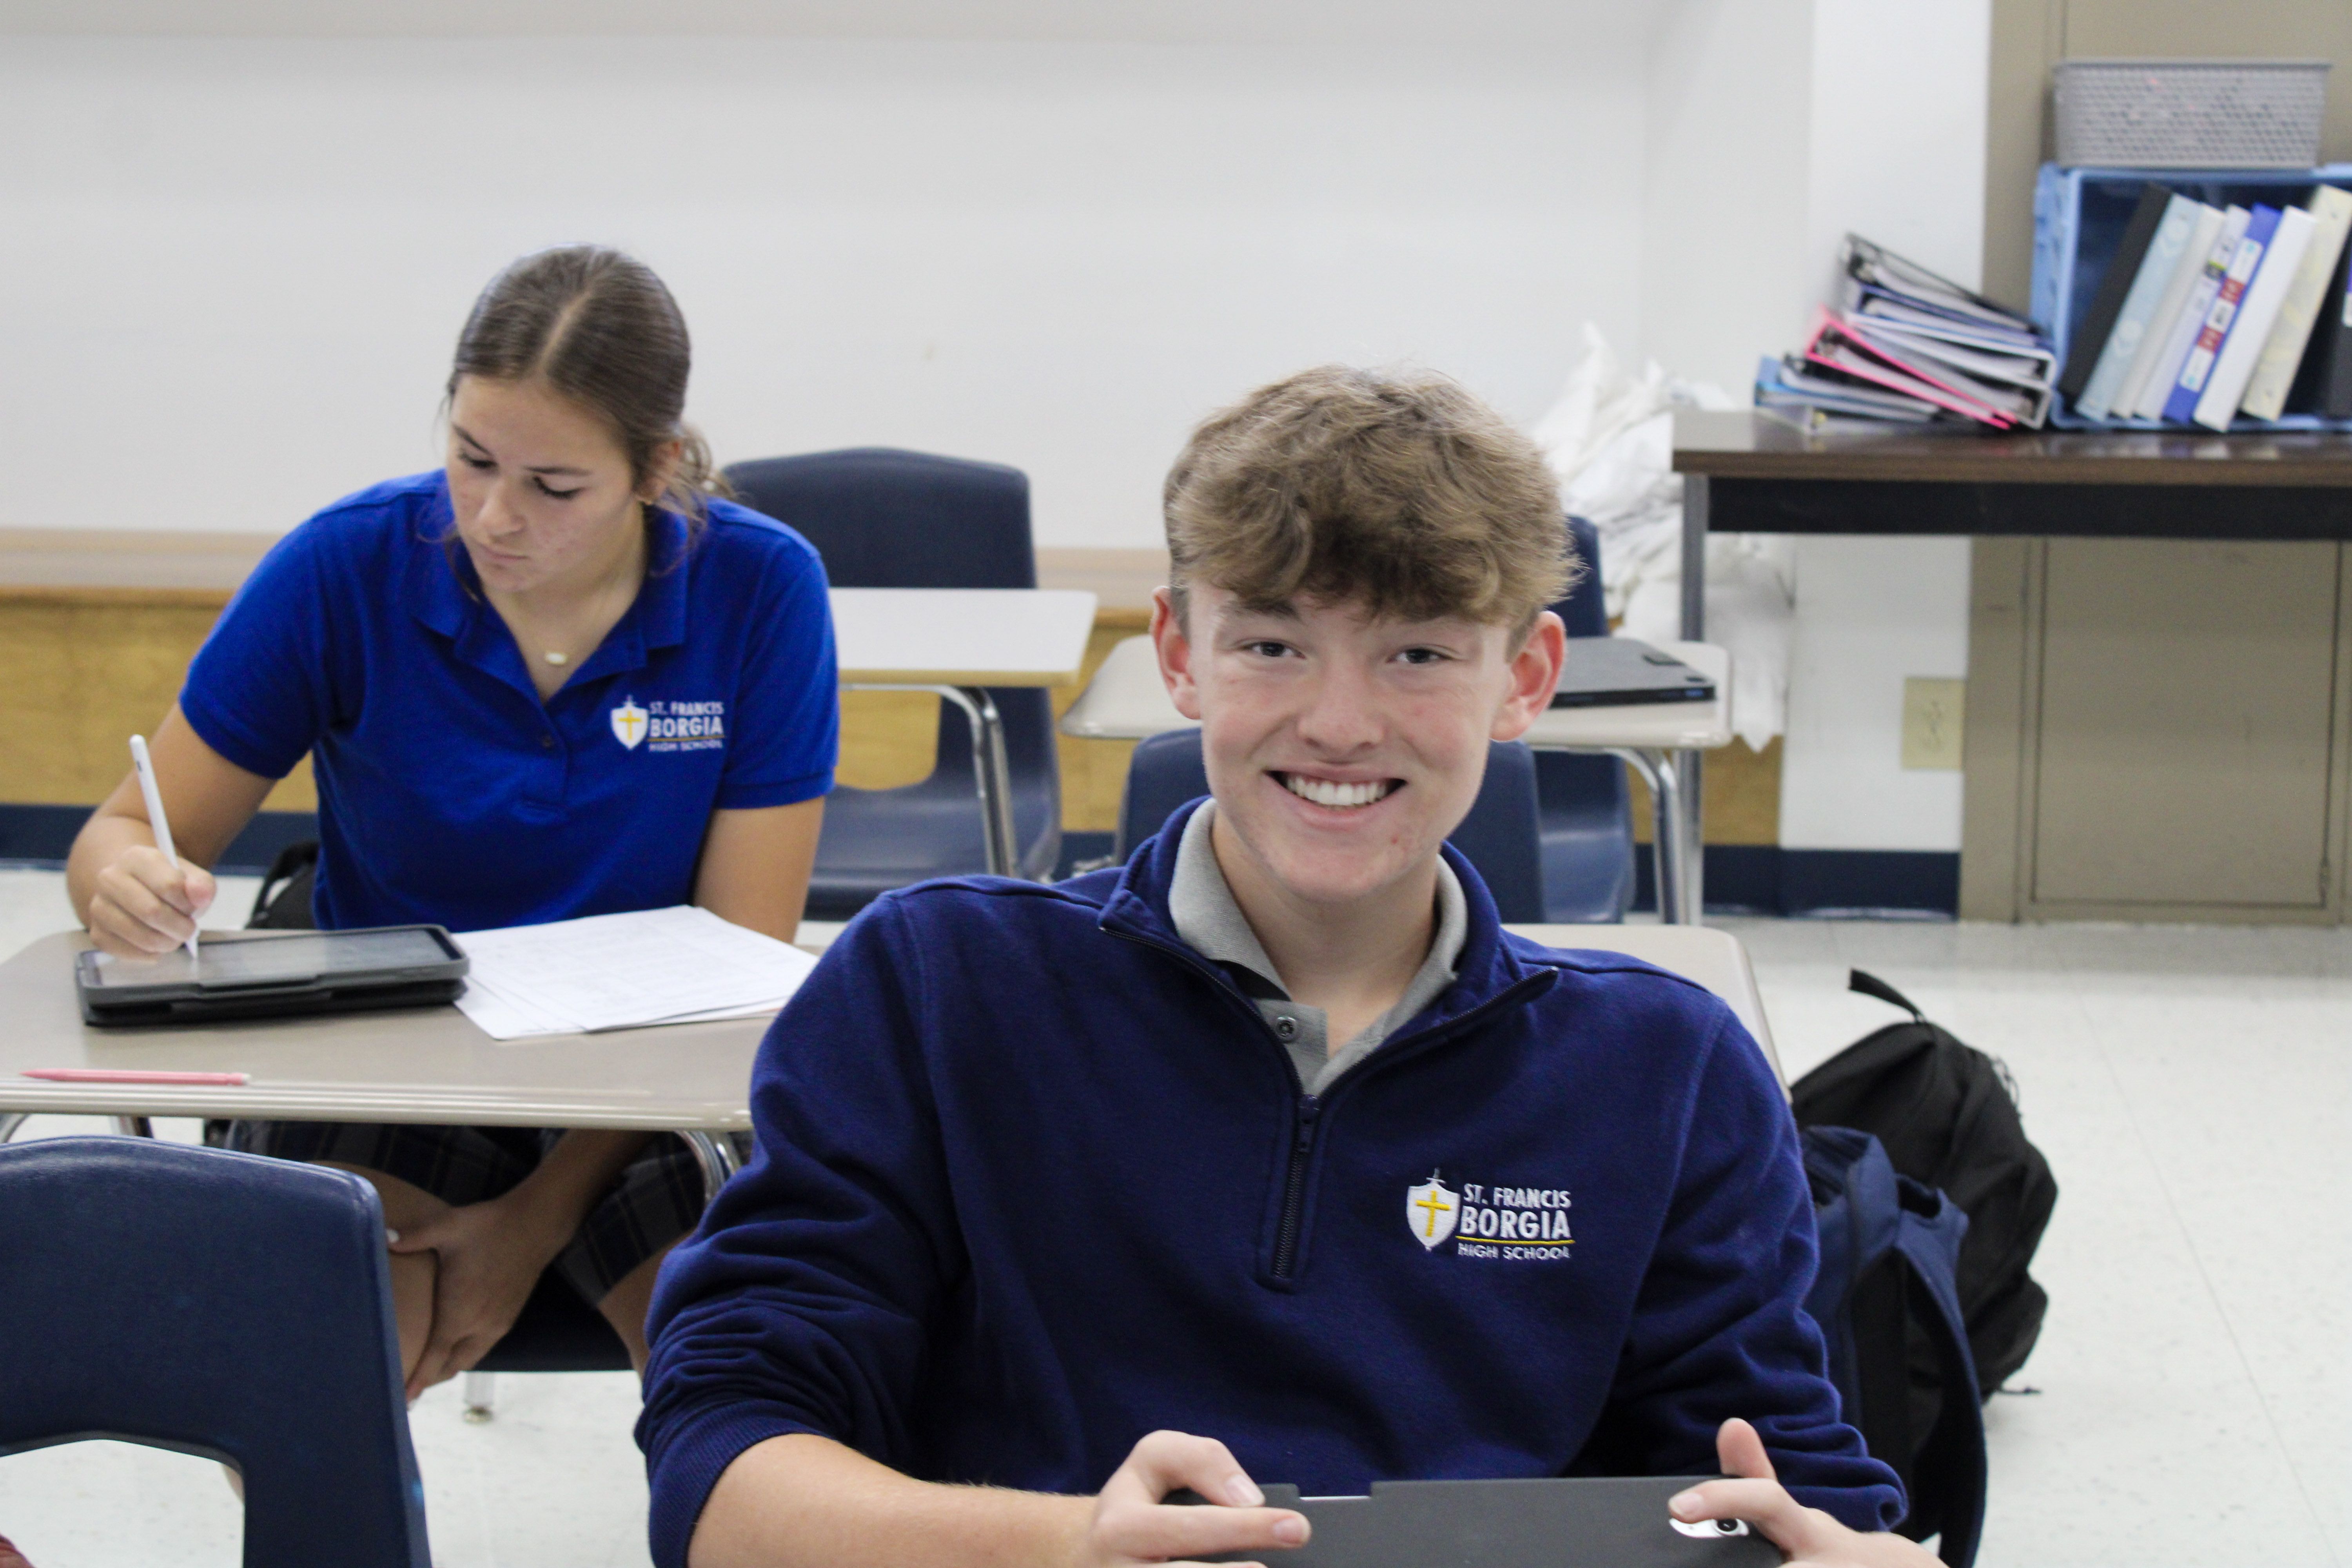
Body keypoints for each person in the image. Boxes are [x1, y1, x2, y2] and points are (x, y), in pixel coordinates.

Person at [637, 366, 1938, 1568]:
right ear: (1179, 653)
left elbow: (1795, 1493)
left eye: (1419, 653)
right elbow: (721, 1478)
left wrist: (1855, 1555)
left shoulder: (1668, 1070)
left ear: (1526, 676)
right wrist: (1069, 1545)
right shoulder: (937, 988)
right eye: (1272, 644)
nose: (1340, 724)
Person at [65, 245, 839, 1397]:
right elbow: (124, 830)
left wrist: (534, 1222)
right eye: (471, 459)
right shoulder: (347, 565)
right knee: (320, 1365)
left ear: (657, 469)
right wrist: (127, 885)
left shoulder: (761, 589)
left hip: (650, 1085)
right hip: (393, 1058)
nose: (493, 517)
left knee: (742, 1369)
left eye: (554, 487)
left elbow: (736, 974)